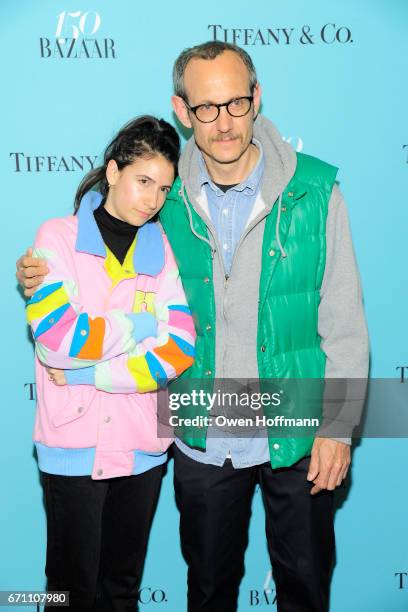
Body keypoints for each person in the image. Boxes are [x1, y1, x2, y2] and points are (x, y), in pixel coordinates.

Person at [18, 42, 369, 612]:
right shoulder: (163, 197)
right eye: (207, 108)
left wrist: (338, 425)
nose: (223, 122)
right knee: (207, 591)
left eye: (235, 103)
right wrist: (37, 268)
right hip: (201, 428)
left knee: (305, 587)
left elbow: (345, 322)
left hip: (297, 418)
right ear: (183, 110)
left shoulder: (317, 190)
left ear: (257, 99)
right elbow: (89, 247)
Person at [20, 115, 196, 612]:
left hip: (142, 443)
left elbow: (179, 347)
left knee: (121, 590)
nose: (153, 199)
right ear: (114, 171)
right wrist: (139, 328)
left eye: (163, 188)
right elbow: (58, 340)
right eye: (144, 180)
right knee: (68, 590)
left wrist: (90, 372)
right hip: (72, 442)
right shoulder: (57, 235)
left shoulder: (160, 247)